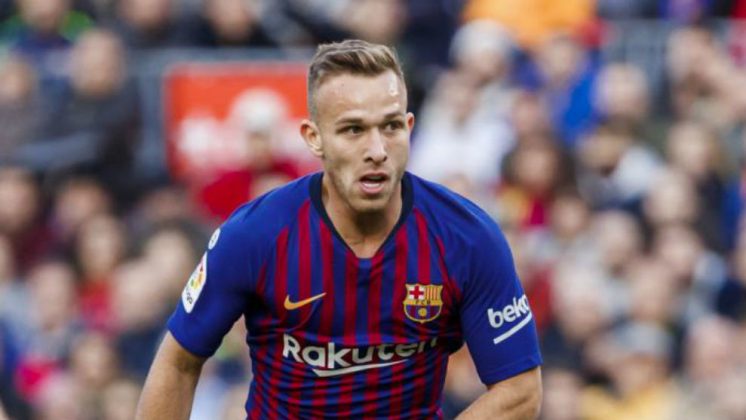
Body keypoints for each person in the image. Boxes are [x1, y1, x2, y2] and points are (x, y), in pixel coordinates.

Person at [136, 39, 542, 419]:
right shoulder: (254, 235)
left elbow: (520, 389)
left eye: (391, 127)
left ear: (410, 126)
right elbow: (178, 362)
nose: (377, 150)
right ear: (314, 138)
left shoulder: (468, 238)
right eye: (353, 130)